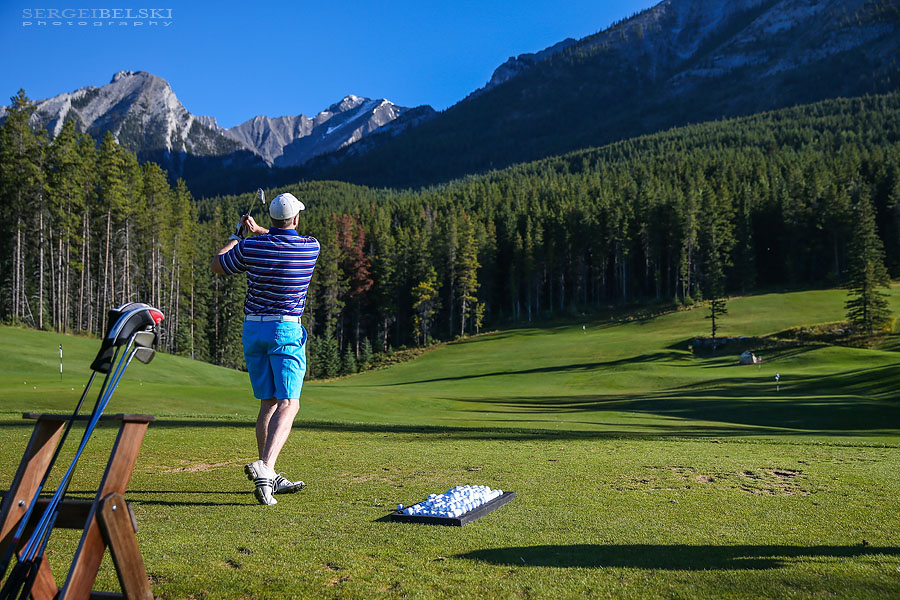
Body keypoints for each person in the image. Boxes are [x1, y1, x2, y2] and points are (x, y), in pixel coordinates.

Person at [210, 192, 320, 505]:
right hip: (284, 329)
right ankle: (267, 467)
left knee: (268, 403)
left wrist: (238, 236)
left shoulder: (251, 248)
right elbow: (285, 237)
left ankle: (267, 481)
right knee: (290, 403)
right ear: (295, 219)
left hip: (253, 329)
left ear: (271, 220)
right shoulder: (309, 247)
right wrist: (262, 231)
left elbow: (217, 264)